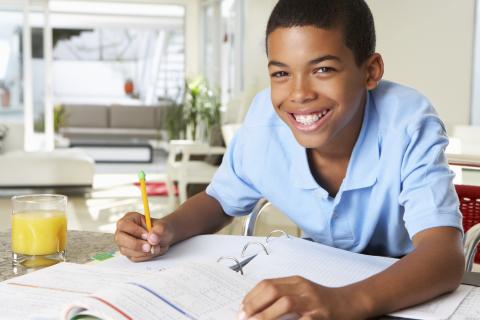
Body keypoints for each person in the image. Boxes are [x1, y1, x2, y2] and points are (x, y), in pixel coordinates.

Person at [114, 0, 465, 319]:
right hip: (317, 273)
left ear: (370, 72)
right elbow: (220, 200)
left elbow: (444, 256)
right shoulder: (263, 122)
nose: (299, 94)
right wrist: (166, 229)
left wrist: (345, 302)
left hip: (403, 286)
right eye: (281, 73)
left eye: (323, 69)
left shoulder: (408, 121)